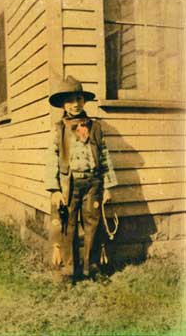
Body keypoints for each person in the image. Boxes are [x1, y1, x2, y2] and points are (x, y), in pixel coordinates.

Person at [45, 76, 117, 280]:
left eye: (78, 99)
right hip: (70, 184)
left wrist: (108, 187)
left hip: (93, 184)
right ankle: (70, 270)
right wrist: (55, 189)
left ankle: (92, 268)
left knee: (93, 224)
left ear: (84, 101)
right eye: (69, 100)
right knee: (69, 225)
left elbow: (104, 155)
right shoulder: (59, 129)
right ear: (63, 104)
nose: (75, 104)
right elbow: (51, 158)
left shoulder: (95, 127)